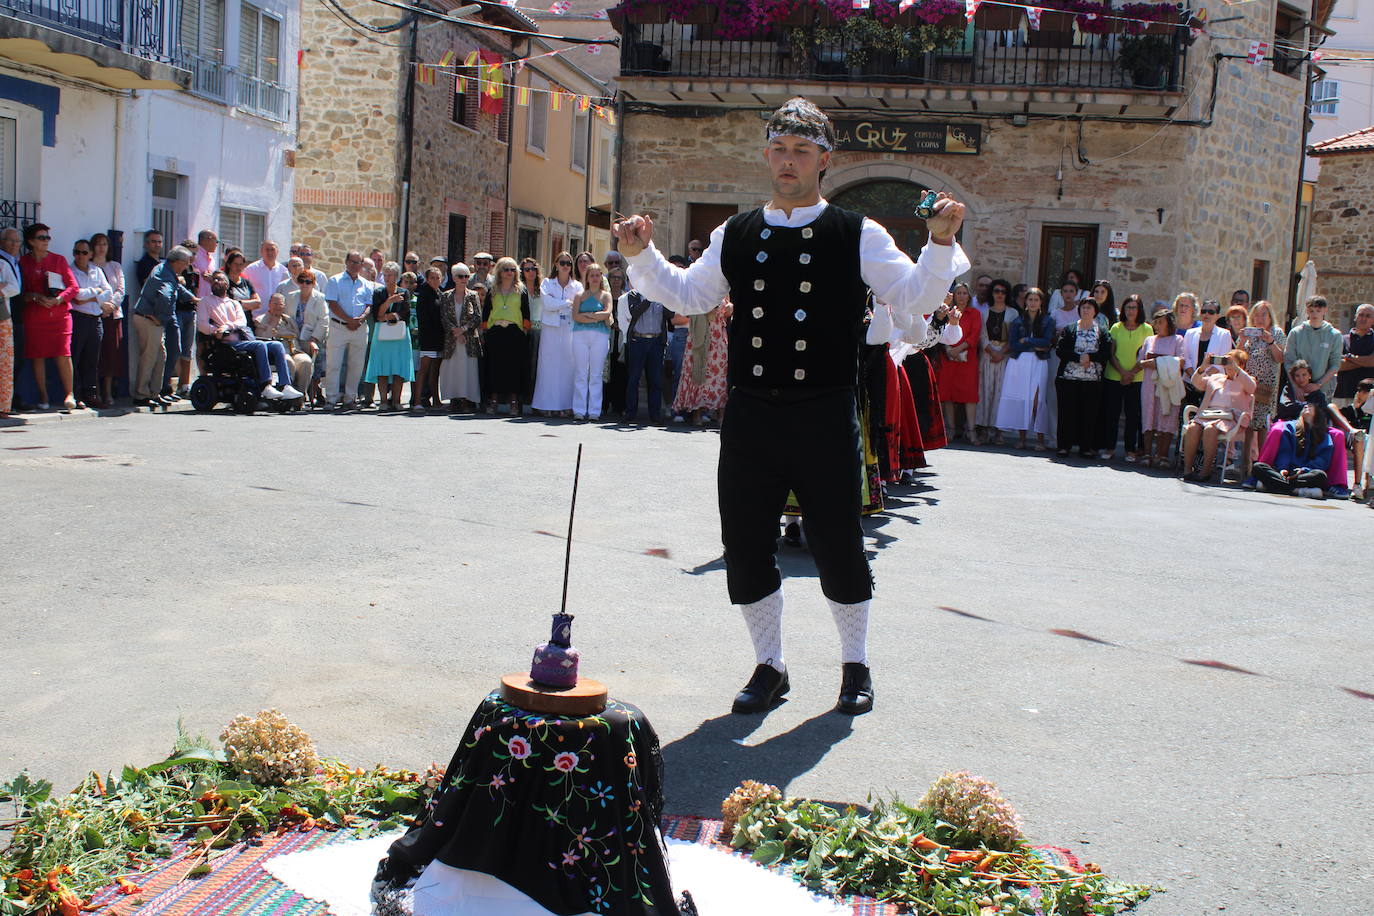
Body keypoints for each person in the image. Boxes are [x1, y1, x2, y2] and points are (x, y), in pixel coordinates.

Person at [617, 96, 970, 717]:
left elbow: (912, 294)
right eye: (779, 149)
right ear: (765, 155)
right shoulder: (736, 232)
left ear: (823, 160)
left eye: (801, 150)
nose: (787, 160)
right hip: (752, 411)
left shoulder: (858, 232)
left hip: (825, 410)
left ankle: (855, 666)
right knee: (747, 541)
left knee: (838, 541)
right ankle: (769, 666)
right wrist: (642, 255)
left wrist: (939, 246)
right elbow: (691, 295)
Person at [197, 270, 302, 402]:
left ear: (227, 284)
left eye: (220, 279)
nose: (216, 281)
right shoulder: (205, 302)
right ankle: (265, 385)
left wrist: (228, 326)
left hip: (243, 339)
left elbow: (242, 321)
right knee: (259, 346)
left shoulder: (234, 303)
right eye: (214, 279)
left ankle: (285, 385)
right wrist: (216, 330)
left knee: (277, 345)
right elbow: (202, 325)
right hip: (226, 344)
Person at [19, 223, 79, 411]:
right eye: (41, 238)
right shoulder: (23, 262)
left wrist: (59, 299)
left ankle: (69, 394)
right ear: (31, 242)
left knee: (63, 353)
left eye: (47, 238)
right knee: (38, 355)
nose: (46, 241)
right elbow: (21, 291)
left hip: (59, 315)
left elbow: (73, 287)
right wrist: (35, 297)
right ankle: (43, 395)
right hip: (35, 315)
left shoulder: (58, 260)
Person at [130, 246, 196, 407]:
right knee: (150, 357)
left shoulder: (165, 270)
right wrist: (160, 318)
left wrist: (193, 298)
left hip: (151, 320)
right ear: (179, 262)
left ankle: (154, 392)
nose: (187, 266)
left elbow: (176, 288)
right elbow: (165, 296)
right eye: (186, 263)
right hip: (148, 320)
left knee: (160, 357)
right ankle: (141, 395)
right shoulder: (164, 273)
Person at [1180, 348, 1255, 481]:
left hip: (1230, 417)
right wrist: (1203, 367)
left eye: (1231, 362)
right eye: (1226, 361)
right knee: (1193, 428)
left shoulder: (1244, 379)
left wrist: (1237, 370)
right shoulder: (1216, 378)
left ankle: (1206, 471)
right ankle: (1187, 469)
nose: (1227, 365)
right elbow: (1196, 383)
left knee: (1210, 429)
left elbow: (1252, 387)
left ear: (1241, 365)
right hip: (1208, 414)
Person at [995, 285, 1053, 449]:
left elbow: (1047, 342)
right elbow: (1013, 344)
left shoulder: (1048, 320)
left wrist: (1026, 341)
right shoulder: (1018, 321)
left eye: (1036, 299)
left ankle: (1041, 441)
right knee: (1021, 399)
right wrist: (1035, 344)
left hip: (1038, 363)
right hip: (1019, 363)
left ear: (1041, 302)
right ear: (1025, 301)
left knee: (1037, 401)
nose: (1033, 302)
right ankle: (1022, 439)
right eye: (1030, 299)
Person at [1054, 298, 1112, 459]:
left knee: (1089, 414)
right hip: (1068, 378)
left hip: (1092, 381)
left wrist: (1090, 357)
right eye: (1084, 307)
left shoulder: (1102, 331)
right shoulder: (1070, 329)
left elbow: (1106, 353)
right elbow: (1060, 350)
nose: (1086, 310)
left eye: (1089, 308)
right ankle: (1064, 446)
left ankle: (1085, 447)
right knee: (1066, 413)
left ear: (1095, 311)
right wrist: (1078, 357)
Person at [1237, 300, 1286, 480]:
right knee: (1248, 424)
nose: (1259, 318)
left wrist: (1271, 341)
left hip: (1266, 386)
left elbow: (1281, 358)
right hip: (1249, 385)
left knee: (1263, 425)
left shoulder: (1277, 333)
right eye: (1257, 314)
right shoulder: (1249, 333)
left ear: (1270, 316)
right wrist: (1242, 341)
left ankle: (1262, 468)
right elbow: (1237, 358)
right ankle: (1245, 467)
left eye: (1263, 314)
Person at [1252, 392, 1334, 498]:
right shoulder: (1290, 427)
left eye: (1310, 405)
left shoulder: (1324, 435)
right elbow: (1284, 451)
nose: (1306, 406)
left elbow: (1322, 460)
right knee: (1258, 467)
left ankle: (1274, 486)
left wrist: (1304, 470)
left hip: (1304, 474)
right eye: (1305, 405)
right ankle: (1297, 491)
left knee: (1320, 476)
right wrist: (1283, 468)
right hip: (1287, 473)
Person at [1099, 294, 1151, 461]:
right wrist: (1122, 372)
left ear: (1139, 310)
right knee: (1111, 414)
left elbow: (1145, 355)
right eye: (1128, 307)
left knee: (1133, 416)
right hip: (1114, 376)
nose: (1131, 311)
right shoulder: (1116, 327)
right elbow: (1111, 353)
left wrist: (1131, 373)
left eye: (1134, 307)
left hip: (1137, 378)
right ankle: (1109, 447)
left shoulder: (1147, 329)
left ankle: (1130, 449)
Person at [324, 251, 378, 409]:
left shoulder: (367, 284)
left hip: (360, 328)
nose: (355, 266)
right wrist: (349, 320)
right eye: (352, 262)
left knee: (356, 365)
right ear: (346, 262)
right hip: (339, 326)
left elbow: (369, 305)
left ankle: (350, 398)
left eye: (358, 263)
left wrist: (360, 319)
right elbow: (332, 303)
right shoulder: (335, 280)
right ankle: (331, 399)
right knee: (334, 364)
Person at [616, 266, 668, 424]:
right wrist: (649, 299)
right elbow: (634, 313)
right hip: (638, 341)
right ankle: (631, 413)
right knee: (633, 379)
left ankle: (655, 415)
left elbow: (670, 315)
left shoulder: (661, 296)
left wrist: (667, 298)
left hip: (656, 341)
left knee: (656, 380)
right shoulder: (633, 295)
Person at [482, 256, 533, 416]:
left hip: (514, 332)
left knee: (514, 369)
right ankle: (494, 401)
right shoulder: (492, 289)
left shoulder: (521, 290)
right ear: (499, 271)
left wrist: (524, 331)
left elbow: (526, 313)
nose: (509, 272)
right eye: (506, 269)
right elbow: (486, 312)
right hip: (496, 331)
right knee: (494, 368)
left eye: (512, 269)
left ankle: (514, 403)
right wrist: (485, 331)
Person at [532, 251, 579, 417]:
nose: (565, 266)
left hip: (569, 328)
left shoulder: (577, 286)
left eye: (568, 263)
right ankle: (546, 404)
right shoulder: (547, 283)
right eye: (562, 263)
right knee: (548, 366)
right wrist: (566, 303)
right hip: (550, 328)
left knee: (568, 367)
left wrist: (558, 304)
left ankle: (566, 405)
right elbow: (547, 303)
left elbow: (577, 306)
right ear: (556, 265)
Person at [363, 262, 415, 411]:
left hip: (399, 336)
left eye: (390, 275)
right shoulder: (379, 292)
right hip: (382, 336)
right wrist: (389, 302)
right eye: (385, 274)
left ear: (396, 276)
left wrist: (389, 316)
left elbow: (405, 314)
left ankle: (397, 400)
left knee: (398, 368)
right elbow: (377, 315)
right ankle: (384, 401)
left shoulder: (404, 293)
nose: (387, 278)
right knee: (382, 368)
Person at [1137, 308, 1185, 468]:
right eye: (1155, 322)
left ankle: (1162, 455)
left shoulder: (1177, 340)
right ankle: (1147, 453)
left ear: (1169, 323)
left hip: (1168, 385)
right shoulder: (1149, 340)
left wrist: (1157, 361)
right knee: (1149, 416)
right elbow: (1142, 361)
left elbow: (1181, 361)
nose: (1157, 325)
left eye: (1161, 322)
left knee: (1167, 416)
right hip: (1150, 385)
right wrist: (1159, 361)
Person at [68, 239, 113, 409]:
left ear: (91, 255)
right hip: (78, 318)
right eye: (77, 252)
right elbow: (77, 296)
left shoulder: (97, 271)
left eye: (84, 253)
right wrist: (96, 293)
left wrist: (91, 296)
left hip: (95, 319)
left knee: (92, 360)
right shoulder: (71, 271)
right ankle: (76, 395)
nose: (80, 256)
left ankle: (91, 394)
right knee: (76, 358)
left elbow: (108, 292)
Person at [937, 282, 982, 443]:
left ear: (969, 296)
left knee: (969, 395)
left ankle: (971, 431)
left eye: (964, 293)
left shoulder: (974, 313)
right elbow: (939, 329)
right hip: (948, 357)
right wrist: (949, 349)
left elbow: (975, 335)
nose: (961, 296)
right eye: (959, 293)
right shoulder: (947, 311)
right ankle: (950, 430)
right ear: (953, 296)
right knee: (947, 393)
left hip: (967, 358)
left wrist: (959, 349)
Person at [569, 261, 614, 421]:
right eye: (592, 275)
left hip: (600, 336)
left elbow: (607, 313)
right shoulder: (579, 296)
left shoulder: (605, 295)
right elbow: (575, 316)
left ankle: (595, 410)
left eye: (597, 275)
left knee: (596, 374)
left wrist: (587, 316)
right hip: (580, 336)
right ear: (586, 277)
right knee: (581, 373)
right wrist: (596, 315)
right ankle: (579, 410)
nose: (595, 278)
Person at [439, 263, 482, 411]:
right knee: (452, 369)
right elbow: (444, 317)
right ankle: (454, 399)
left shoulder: (473, 295)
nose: (464, 279)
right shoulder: (446, 296)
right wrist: (455, 332)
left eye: (466, 276)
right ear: (454, 278)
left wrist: (463, 330)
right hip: (452, 340)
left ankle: (467, 400)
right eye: (460, 276)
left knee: (467, 369)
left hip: (468, 339)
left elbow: (477, 317)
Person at [975, 278, 1013, 444]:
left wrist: (1002, 353)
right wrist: (991, 352)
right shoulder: (984, 312)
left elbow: (1013, 336)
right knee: (985, 392)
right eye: (996, 291)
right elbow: (982, 335)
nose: (999, 294)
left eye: (1003, 292)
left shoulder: (1013, 313)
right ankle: (983, 429)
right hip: (987, 355)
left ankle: (998, 431)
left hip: (1004, 356)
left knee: (1001, 393)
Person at [254, 293, 314, 397]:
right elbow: (262, 338)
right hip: (276, 354)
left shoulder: (288, 320)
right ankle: (286, 392)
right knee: (288, 361)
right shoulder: (260, 320)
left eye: (280, 304)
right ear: (269, 304)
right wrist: (273, 325)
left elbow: (297, 337)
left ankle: (300, 395)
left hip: (295, 351)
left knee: (306, 361)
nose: (277, 307)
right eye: (275, 304)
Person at [90, 233, 125, 408]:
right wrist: (101, 307)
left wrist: (111, 305)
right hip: (95, 314)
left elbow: (120, 289)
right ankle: (94, 391)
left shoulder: (115, 266)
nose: (101, 247)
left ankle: (108, 392)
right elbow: (91, 290)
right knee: (95, 354)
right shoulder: (89, 267)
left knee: (111, 354)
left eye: (104, 244)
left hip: (113, 314)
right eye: (98, 244)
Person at [1285, 296, 1342, 401]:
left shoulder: (1335, 335)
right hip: (1298, 390)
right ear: (1307, 311)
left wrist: (1318, 384)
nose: (1315, 314)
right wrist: (1296, 387)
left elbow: (1335, 365)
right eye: (1311, 310)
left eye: (1318, 310)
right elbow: (1288, 362)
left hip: (1322, 390)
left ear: (1325, 310)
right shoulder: (1296, 333)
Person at [292, 270, 330, 408]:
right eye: (302, 281)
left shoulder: (319, 298)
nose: (305, 284)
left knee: (316, 369)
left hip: (313, 337)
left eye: (308, 282)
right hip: (295, 338)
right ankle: (297, 396)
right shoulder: (291, 297)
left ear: (313, 283)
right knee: (300, 366)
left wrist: (314, 339)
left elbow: (324, 320)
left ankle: (314, 395)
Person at [1335, 303, 1374, 407]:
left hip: (1369, 395)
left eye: (1368, 316)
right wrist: (1366, 361)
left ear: (1373, 320)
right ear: (1355, 317)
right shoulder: (1342, 339)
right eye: (1361, 315)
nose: (1363, 318)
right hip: (1343, 393)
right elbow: (1337, 364)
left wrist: (1349, 357)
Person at [519, 258, 543, 406]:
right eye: (527, 269)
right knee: (524, 364)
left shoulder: (543, 289)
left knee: (537, 365)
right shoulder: (518, 289)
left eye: (533, 269)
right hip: (523, 329)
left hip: (540, 330)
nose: (531, 272)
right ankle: (522, 397)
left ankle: (534, 398)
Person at [243, 242, 288, 317]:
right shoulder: (251, 269)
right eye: (267, 250)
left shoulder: (284, 271)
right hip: (256, 316)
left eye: (272, 249)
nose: (270, 252)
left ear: (277, 252)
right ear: (261, 252)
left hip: (277, 317)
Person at [0, 239, 18, 416]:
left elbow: (14, 287)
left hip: (2, 318)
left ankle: (3, 406)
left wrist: (1, 287)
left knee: (4, 363)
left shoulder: (2, 265)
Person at [222, 248, 262, 321]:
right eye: (235, 264)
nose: (238, 267)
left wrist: (239, 303)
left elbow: (258, 303)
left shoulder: (247, 283)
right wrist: (249, 304)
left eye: (241, 264)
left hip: (247, 323)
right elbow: (227, 305)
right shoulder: (224, 283)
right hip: (231, 322)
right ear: (229, 264)